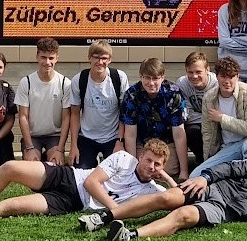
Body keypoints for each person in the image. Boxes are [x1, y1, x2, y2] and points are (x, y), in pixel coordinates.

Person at [100, 139, 247, 241]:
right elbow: (228, 168)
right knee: (166, 196)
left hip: (223, 209)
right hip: (212, 188)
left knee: (184, 216)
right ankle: (105, 216)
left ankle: (130, 236)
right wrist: (205, 177)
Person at [0, 139, 171, 223]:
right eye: (149, 160)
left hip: (70, 202)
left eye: (157, 164)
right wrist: (115, 211)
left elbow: (180, 196)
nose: (151, 166)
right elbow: (91, 184)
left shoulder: (152, 190)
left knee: (13, 206)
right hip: (70, 177)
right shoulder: (124, 159)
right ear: (140, 156)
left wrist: (168, 178)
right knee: (10, 168)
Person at [190, 57, 247, 178]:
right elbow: (207, 133)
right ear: (216, 76)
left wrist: (222, 118)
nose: (227, 81)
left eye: (231, 77)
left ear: (237, 77)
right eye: (223, 76)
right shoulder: (209, 98)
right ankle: (234, 172)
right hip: (227, 147)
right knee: (196, 175)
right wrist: (208, 159)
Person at [121, 58, 189, 181]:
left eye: (155, 78)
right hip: (142, 142)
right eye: (147, 78)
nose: (151, 83)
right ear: (141, 76)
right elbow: (130, 134)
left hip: (166, 142)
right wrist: (132, 168)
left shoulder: (174, 94)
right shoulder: (131, 95)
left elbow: (179, 134)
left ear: (162, 78)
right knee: (143, 169)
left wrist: (184, 171)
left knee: (167, 170)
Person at [69, 40, 129, 169]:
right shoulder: (79, 80)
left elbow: (124, 113)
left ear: (110, 60)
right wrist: (73, 145)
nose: (100, 62)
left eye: (104, 58)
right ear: (89, 58)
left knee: (116, 174)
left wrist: (120, 142)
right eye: (96, 57)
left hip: (113, 137)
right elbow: (74, 114)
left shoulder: (119, 78)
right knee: (79, 174)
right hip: (87, 137)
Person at [17, 38, 72, 164]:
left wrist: (60, 149)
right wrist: (29, 147)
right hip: (33, 136)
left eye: (51, 58)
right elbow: (23, 117)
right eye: (43, 57)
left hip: (54, 136)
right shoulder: (26, 82)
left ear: (57, 58)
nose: (47, 62)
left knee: (55, 165)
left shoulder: (65, 84)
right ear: (37, 57)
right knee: (33, 168)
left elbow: (66, 118)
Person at [175, 51, 218, 164]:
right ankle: (202, 160)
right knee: (190, 131)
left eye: (198, 72)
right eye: (190, 72)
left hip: (217, 123)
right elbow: (186, 114)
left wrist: (216, 117)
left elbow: (221, 113)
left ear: (207, 69)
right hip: (197, 123)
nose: (194, 76)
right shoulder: (182, 83)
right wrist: (209, 116)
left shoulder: (217, 83)